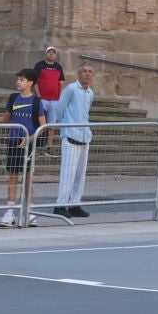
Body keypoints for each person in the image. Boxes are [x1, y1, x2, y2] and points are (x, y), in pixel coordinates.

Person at [0, 68, 45, 227]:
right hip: (14, 141)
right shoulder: (13, 98)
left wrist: (30, 138)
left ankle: (30, 212)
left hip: (28, 144)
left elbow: (43, 126)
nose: (18, 82)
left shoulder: (37, 102)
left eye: (22, 79)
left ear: (30, 83)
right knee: (13, 176)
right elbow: (7, 118)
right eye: (17, 79)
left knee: (28, 177)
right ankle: (9, 212)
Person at [52, 62, 96, 217]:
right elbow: (59, 109)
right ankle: (60, 205)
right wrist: (64, 128)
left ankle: (74, 203)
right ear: (79, 73)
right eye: (84, 71)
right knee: (68, 173)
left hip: (85, 136)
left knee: (80, 174)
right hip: (71, 136)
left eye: (90, 72)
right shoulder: (71, 89)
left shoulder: (90, 93)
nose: (87, 74)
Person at [32, 45, 66, 145]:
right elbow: (35, 82)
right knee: (39, 121)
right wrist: (38, 96)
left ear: (56, 55)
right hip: (42, 99)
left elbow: (61, 82)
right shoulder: (39, 65)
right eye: (49, 52)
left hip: (55, 100)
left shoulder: (58, 67)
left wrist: (60, 97)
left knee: (52, 124)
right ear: (46, 54)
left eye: (53, 52)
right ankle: (36, 142)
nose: (51, 54)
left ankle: (49, 144)